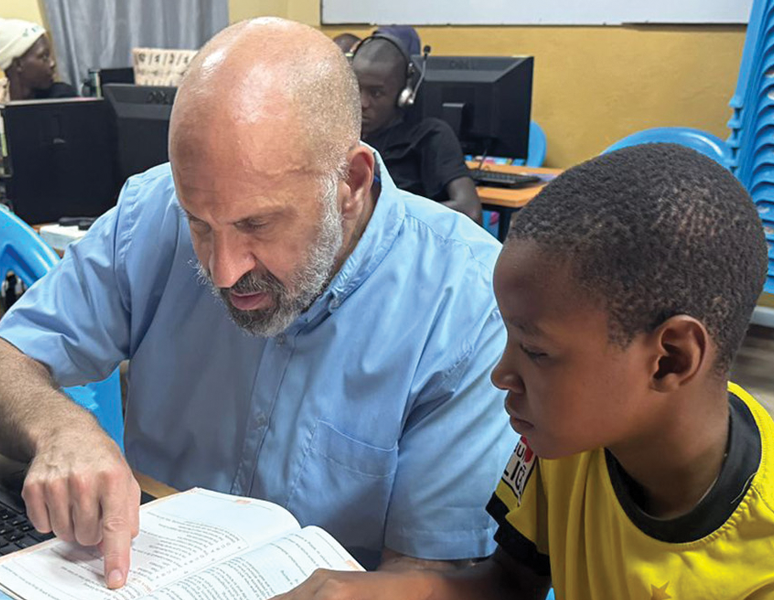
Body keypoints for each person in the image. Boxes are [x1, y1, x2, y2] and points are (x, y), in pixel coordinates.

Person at [0, 17, 513, 590]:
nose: (223, 271)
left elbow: (434, 575)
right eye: (198, 223)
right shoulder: (151, 212)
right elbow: (10, 353)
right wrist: (58, 427)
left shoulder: (467, 304)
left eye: (257, 224)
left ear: (350, 182)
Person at [274, 144, 774, 600]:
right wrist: (366, 592)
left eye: (535, 352)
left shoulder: (759, 565)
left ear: (671, 360)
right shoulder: (568, 441)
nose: (501, 375)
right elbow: (510, 582)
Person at [352, 34, 483, 224]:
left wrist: (386, 214)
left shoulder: (430, 136)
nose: (363, 103)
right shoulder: (345, 136)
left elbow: (470, 211)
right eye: (356, 89)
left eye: (376, 93)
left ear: (404, 95)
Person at [0, 18, 77, 101]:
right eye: (44, 57)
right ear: (18, 64)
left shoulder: (62, 98)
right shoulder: (3, 101)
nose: (52, 63)